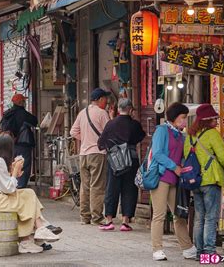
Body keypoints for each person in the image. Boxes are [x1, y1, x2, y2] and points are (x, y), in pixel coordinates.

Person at [0, 133, 62, 255]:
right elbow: (8, 188)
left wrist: (13, 173)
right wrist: (15, 171)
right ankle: (36, 231)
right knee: (28, 198)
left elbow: (2, 185)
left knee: (28, 194)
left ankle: (36, 232)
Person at [184, 103, 224, 258]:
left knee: (199, 217)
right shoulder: (213, 134)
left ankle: (199, 252)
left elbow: (186, 157)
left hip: (195, 181)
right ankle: (210, 252)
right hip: (210, 181)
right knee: (211, 217)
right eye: (214, 119)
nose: (216, 122)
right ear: (207, 120)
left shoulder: (190, 136)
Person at [150, 102, 196, 261]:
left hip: (175, 179)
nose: (185, 121)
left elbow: (182, 154)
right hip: (161, 177)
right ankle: (157, 249)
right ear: (174, 117)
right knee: (159, 215)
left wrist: (182, 163)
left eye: (186, 118)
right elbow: (157, 154)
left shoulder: (181, 135)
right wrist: (174, 166)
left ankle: (187, 248)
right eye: (183, 118)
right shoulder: (161, 131)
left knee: (179, 214)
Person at [98, 97, 145, 231]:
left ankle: (109, 220)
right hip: (131, 159)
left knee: (112, 188)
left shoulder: (111, 124)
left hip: (115, 160)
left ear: (119, 109)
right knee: (129, 188)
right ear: (130, 110)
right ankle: (125, 221)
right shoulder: (135, 124)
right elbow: (140, 137)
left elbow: (101, 143)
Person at [70, 87, 111, 225]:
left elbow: (73, 131)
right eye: (105, 99)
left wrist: (85, 138)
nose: (106, 101)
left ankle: (84, 217)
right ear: (100, 99)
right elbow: (108, 133)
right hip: (97, 153)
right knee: (97, 186)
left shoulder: (83, 112)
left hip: (83, 154)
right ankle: (97, 217)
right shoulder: (102, 113)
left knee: (85, 186)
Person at [1, 94, 37, 188]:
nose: (24, 103)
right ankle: (20, 186)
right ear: (20, 102)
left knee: (12, 164)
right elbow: (34, 121)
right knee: (23, 164)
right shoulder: (22, 113)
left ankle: (11, 184)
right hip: (22, 143)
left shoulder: (7, 113)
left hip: (9, 143)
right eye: (24, 101)